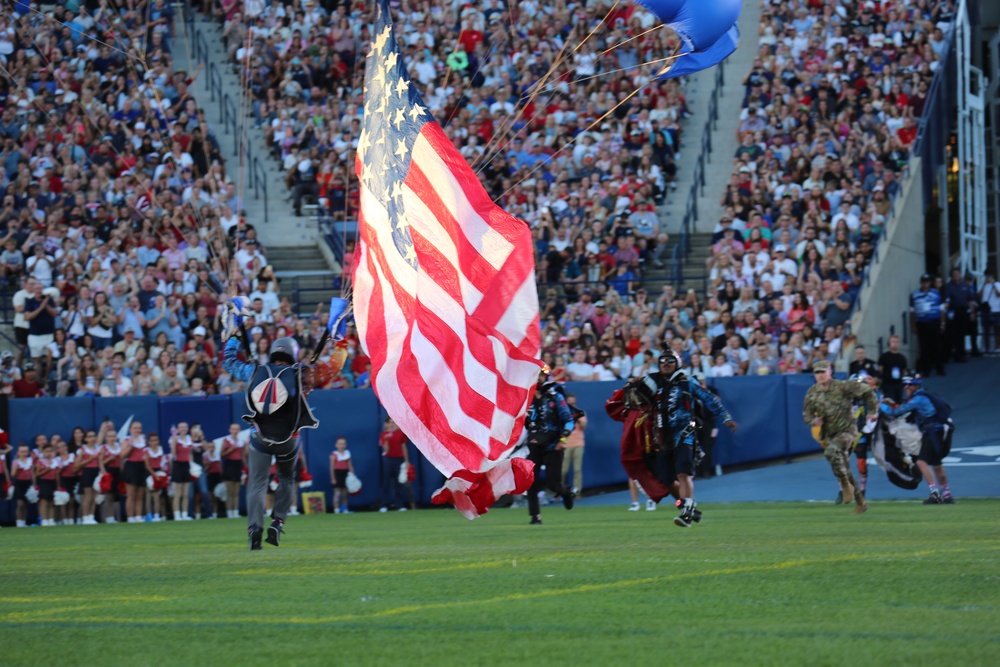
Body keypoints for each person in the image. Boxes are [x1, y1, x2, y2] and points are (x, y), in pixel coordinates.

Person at [221, 299, 331, 550]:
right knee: (286, 479)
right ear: (292, 354)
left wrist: (235, 338)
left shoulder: (255, 370)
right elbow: (333, 366)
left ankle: (254, 529)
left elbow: (227, 362)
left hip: (259, 436)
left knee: (257, 483)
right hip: (288, 441)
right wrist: (340, 341)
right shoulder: (302, 374)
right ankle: (278, 522)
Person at [654, 350, 737, 527]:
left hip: (685, 433)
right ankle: (687, 506)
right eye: (663, 361)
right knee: (666, 480)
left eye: (670, 361)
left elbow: (708, 398)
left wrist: (725, 416)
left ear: (677, 363)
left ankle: (686, 513)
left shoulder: (687, 381)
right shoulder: (654, 384)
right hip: (662, 437)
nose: (666, 363)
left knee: (683, 473)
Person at [803, 360, 878, 515]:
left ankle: (844, 484)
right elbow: (806, 414)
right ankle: (860, 502)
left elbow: (867, 391)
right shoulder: (812, 392)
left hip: (846, 431)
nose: (820, 375)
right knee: (844, 466)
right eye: (817, 373)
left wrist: (872, 411)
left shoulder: (843, 386)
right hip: (829, 434)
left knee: (830, 452)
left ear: (830, 372)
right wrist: (813, 421)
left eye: (823, 371)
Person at [880, 375, 955, 504]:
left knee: (921, 462)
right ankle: (947, 494)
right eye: (905, 385)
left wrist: (880, 405)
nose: (906, 387)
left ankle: (935, 494)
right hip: (941, 431)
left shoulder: (918, 399)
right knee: (937, 465)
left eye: (910, 385)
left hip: (932, 432)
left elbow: (896, 412)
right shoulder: (924, 395)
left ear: (916, 385)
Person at [523, 365, 575, 525]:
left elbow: (569, 420)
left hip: (553, 445)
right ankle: (535, 517)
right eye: (535, 375)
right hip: (534, 445)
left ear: (547, 378)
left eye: (541, 376)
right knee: (530, 482)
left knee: (553, 484)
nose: (538, 379)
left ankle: (566, 492)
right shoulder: (525, 398)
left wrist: (563, 440)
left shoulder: (555, 397)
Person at [910, 273, 946, 376]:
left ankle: (940, 369)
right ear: (921, 282)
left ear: (930, 283)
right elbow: (912, 312)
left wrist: (943, 323)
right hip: (921, 323)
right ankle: (926, 370)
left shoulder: (936, 293)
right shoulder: (914, 294)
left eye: (928, 281)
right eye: (924, 281)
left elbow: (942, 309)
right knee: (923, 347)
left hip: (934, 322)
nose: (926, 283)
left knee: (937, 346)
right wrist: (913, 325)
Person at [943, 268, 976, 363]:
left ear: (960, 274)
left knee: (962, 333)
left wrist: (972, 313)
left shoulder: (965, 286)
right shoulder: (948, 286)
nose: (956, 275)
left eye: (958, 273)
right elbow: (947, 300)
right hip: (953, 311)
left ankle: (961, 355)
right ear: (951, 275)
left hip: (963, 311)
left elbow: (970, 300)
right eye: (954, 274)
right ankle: (949, 355)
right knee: (951, 333)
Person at [378, 417, 410, 512]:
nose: (391, 424)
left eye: (393, 422)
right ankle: (384, 505)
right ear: (386, 424)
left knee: (398, 483)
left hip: (399, 460)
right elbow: (386, 450)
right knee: (386, 483)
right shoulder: (383, 435)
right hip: (388, 460)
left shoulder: (400, 434)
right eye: (389, 422)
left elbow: (404, 448)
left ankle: (399, 505)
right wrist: (386, 440)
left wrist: (406, 461)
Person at [120, 420, 148, 523]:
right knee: (131, 494)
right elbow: (122, 456)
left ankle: (138, 516)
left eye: (139, 428)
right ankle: (130, 517)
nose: (137, 430)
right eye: (135, 428)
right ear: (130, 429)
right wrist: (130, 446)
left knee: (140, 495)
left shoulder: (143, 439)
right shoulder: (126, 440)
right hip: (131, 466)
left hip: (142, 466)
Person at [561, 393, 586, 497]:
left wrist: (577, 418)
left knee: (577, 469)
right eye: (570, 402)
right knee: (563, 470)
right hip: (566, 444)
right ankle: (560, 492)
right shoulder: (562, 412)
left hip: (578, 444)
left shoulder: (580, 412)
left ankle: (577, 492)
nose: (572, 404)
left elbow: (584, 426)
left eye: (573, 402)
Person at [219, 423, 246, 519]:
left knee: (236, 491)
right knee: (229, 491)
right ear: (230, 430)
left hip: (238, 465)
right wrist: (231, 449)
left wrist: (245, 468)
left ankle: (235, 512)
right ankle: (229, 512)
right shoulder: (226, 441)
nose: (235, 431)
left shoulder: (241, 441)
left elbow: (242, 456)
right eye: (233, 429)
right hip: (229, 465)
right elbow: (221, 455)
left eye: (237, 429)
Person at [877, 335, 908, 403]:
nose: (895, 344)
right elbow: (880, 370)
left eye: (897, 342)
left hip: (898, 384)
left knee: (898, 402)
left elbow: (904, 372)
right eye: (893, 342)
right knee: (889, 403)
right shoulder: (884, 356)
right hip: (887, 384)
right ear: (889, 343)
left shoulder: (902, 358)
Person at [329, 436, 354, 514]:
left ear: (345, 445)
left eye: (343, 444)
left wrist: (352, 475)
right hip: (337, 474)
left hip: (345, 473)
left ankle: (344, 509)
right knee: (337, 493)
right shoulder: (334, 455)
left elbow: (350, 465)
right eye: (339, 444)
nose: (341, 446)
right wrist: (333, 478)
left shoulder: (347, 453)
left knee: (344, 494)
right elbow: (332, 467)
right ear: (336, 445)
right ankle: (336, 509)